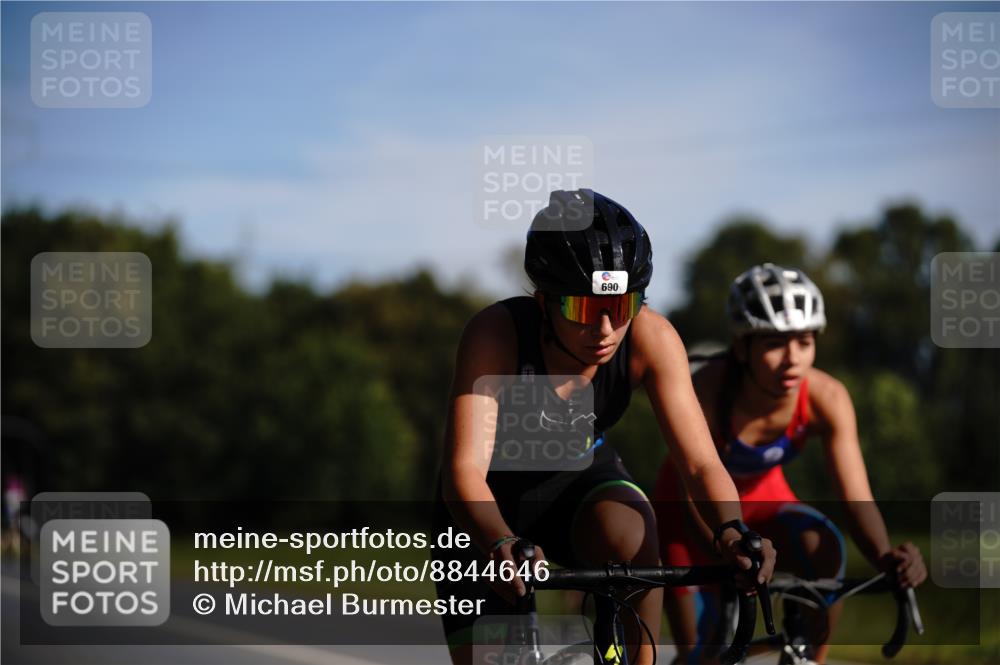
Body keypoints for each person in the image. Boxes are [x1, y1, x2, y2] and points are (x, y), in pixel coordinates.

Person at [433, 189, 775, 665]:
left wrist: (732, 531)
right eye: (585, 309)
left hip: (579, 482)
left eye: (623, 305)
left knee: (634, 529)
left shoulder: (652, 337)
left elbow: (698, 463)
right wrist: (500, 541)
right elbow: (465, 472)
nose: (606, 330)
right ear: (543, 303)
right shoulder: (496, 334)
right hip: (486, 505)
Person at [653, 263, 927, 664]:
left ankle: (807, 657)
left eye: (804, 342)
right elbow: (693, 480)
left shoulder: (827, 398)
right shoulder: (707, 389)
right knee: (704, 651)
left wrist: (886, 557)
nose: (792, 360)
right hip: (691, 511)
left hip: (765, 497)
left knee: (826, 545)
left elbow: (854, 497)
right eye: (774, 345)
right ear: (743, 347)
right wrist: (727, 553)